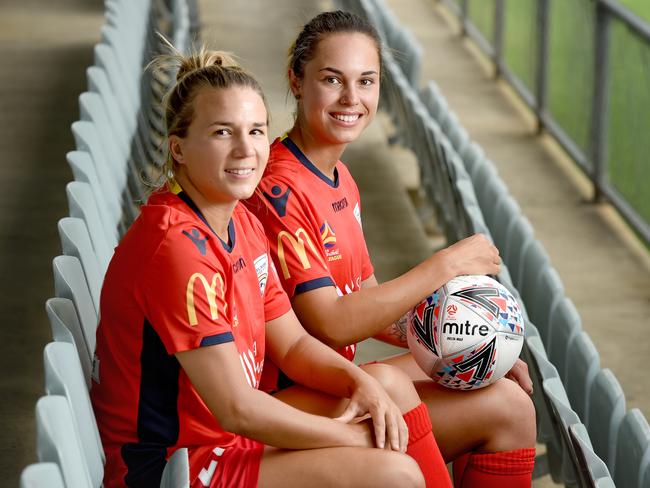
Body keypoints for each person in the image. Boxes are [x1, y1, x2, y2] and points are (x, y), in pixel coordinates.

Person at [90, 43, 453, 487]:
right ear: (178, 149)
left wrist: (359, 385)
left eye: (257, 131)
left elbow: (295, 346)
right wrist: (345, 438)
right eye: (223, 132)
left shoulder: (239, 218)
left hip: (220, 438)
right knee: (393, 473)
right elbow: (237, 408)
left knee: (387, 390)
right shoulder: (176, 247)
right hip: (175, 465)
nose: (246, 149)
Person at [246, 10, 537, 488]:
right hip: (283, 401)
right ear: (296, 81)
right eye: (332, 80)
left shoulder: (339, 178)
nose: (351, 99)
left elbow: (368, 300)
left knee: (508, 404)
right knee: (390, 383)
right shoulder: (278, 190)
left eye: (366, 81)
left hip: (332, 382)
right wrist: (446, 264)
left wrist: (478, 340)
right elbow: (333, 320)